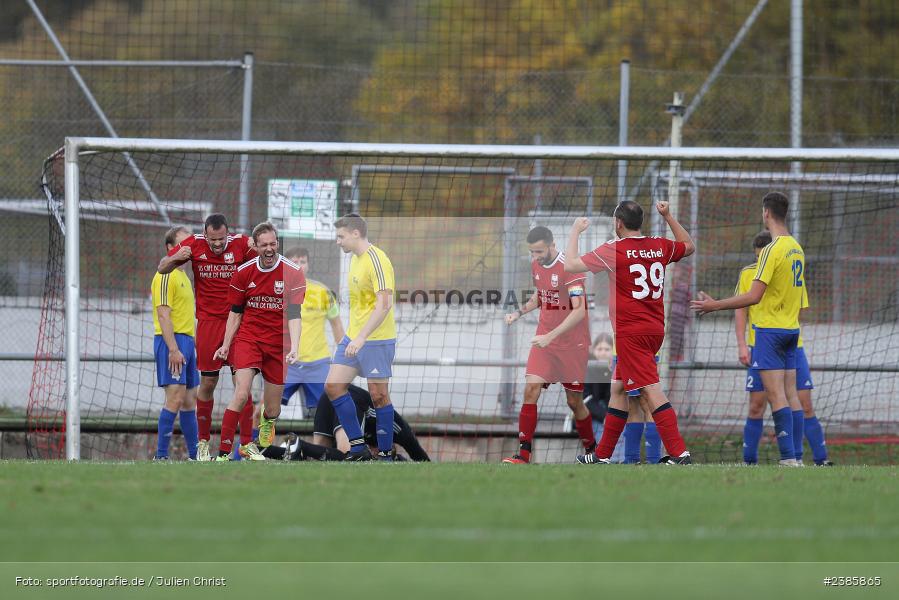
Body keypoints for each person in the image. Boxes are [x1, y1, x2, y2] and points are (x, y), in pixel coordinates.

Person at [565, 200, 695, 465]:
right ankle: (602, 455)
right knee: (620, 389)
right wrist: (669, 215)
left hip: (631, 332)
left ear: (618, 223)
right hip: (654, 329)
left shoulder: (615, 250)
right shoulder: (658, 245)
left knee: (649, 391)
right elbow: (689, 246)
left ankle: (680, 453)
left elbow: (571, 265)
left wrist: (575, 231)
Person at [692, 192, 807, 466]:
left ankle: (788, 458)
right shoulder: (797, 248)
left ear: (766, 213)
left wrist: (715, 305)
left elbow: (754, 296)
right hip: (792, 330)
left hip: (769, 331)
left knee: (776, 395)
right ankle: (799, 458)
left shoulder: (771, 250)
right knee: (792, 394)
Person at [157, 213, 257, 461]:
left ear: (227, 233)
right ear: (205, 234)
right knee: (208, 384)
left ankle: (245, 446)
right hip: (209, 326)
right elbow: (161, 266)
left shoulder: (242, 244)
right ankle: (203, 444)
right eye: (212, 239)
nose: (217, 244)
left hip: (237, 322)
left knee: (242, 386)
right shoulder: (193, 243)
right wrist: (176, 258)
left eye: (221, 238)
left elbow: (268, 263)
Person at [735, 230, 832, 466]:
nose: (761, 263)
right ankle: (750, 461)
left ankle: (811, 459)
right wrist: (742, 345)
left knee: (801, 400)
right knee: (757, 405)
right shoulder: (749, 274)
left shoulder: (787, 269)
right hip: (760, 343)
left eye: (763, 258)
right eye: (757, 258)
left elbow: (800, 304)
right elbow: (741, 310)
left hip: (789, 343)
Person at [212, 222, 306, 460]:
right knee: (241, 393)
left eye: (273, 243)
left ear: (277, 243)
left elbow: (295, 315)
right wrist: (225, 345)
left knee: (273, 409)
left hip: (278, 344)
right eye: (264, 244)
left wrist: (294, 347)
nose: (269, 248)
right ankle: (223, 452)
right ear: (254, 245)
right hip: (249, 339)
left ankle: (268, 422)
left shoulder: (293, 272)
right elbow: (235, 312)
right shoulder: (243, 273)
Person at [502, 226, 594, 464]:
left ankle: (591, 450)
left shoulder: (569, 268)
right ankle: (523, 455)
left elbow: (579, 312)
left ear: (552, 245)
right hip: (545, 341)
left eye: (539, 252)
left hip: (573, 345)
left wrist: (550, 336)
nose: (535, 257)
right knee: (531, 389)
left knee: (574, 401)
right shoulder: (536, 265)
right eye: (532, 252)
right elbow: (540, 296)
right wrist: (519, 313)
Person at [323, 213, 397, 461]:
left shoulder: (377, 259)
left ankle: (386, 455)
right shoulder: (354, 259)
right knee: (333, 386)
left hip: (376, 339)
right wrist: (354, 336)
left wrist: (363, 337)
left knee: (379, 396)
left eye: (340, 236)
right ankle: (358, 448)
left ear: (356, 234)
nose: (338, 241)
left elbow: (384, 304)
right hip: (354, 338)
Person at [263, 384, 430, 461]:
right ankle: (300, 445)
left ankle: (264, 450)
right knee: (348, 456)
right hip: (349, 402)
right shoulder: (398, 429)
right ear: (389, 446)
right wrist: (400, 460)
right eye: (378, 453)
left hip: (330, 397)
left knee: (316, 458)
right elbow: (421, 459)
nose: (375, 454)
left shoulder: (373, 443)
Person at [150, 226, 200, 460]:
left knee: (190, 401)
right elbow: (163, 315)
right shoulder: (164, 275)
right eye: (183, 244)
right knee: (175, 398)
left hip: (187, 342)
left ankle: (194, 455)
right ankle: (160, 456)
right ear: (171, 249)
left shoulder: (183, 276)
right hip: (172, 342)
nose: (188, 248)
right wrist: (173, 349)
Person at [280, 247, 344, 416]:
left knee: (324, 414)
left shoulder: (322, 292)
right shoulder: (277, 291)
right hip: (286, 363)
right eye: (294, 262)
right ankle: (256, 441)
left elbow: (337, 325)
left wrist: (343, 356)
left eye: (303, 262)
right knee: (268, 409)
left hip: (318, 364)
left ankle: (322, 443)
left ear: (308, 265)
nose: (299, 265)